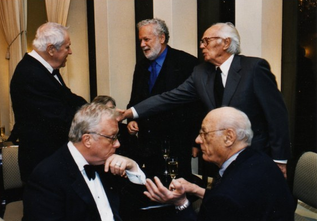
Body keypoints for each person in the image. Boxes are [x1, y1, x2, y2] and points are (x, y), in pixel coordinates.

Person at [120, 22, 290, 178]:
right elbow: (169, 98)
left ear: (226, 43)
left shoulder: (253, 69)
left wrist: (279, 160)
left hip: (254, 155)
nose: (201, 45)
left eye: (206, 41)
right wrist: (131, 112)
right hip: (220, 158)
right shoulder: (201, 73)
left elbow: (277, 116)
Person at [144, 107, 296, 221]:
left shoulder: (226, 198)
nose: (197, 140)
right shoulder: (260, 159)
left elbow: (226, 200)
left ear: (229, 137)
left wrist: (181, 203)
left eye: (204, 133)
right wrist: (196, 189)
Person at [22, 103, 146, 221]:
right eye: (112, 138)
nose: (118, 144)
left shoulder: (106, 162)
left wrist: (133, 167)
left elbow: (138, 208)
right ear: (87, 140)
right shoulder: (47, 177)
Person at [10, 22, 88, 182]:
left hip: (52, 159)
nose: (70, 51)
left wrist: (95, 109)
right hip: (42, 163)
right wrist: (94, 120)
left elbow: (68, 98)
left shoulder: (44, 69)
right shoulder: (29, 74)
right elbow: (60, 116)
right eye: (67, 47)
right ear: (51, 49)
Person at [127, 18, 202, 181]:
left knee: (179, 188)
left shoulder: (187, 63)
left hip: (178, 142)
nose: (142, 45)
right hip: (148, 144)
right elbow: (135, 99)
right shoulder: (140, 66)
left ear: (162, 38)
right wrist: (131, 120)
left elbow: (197, 106)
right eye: (140, 40)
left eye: (146, 39)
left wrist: (196, 142)